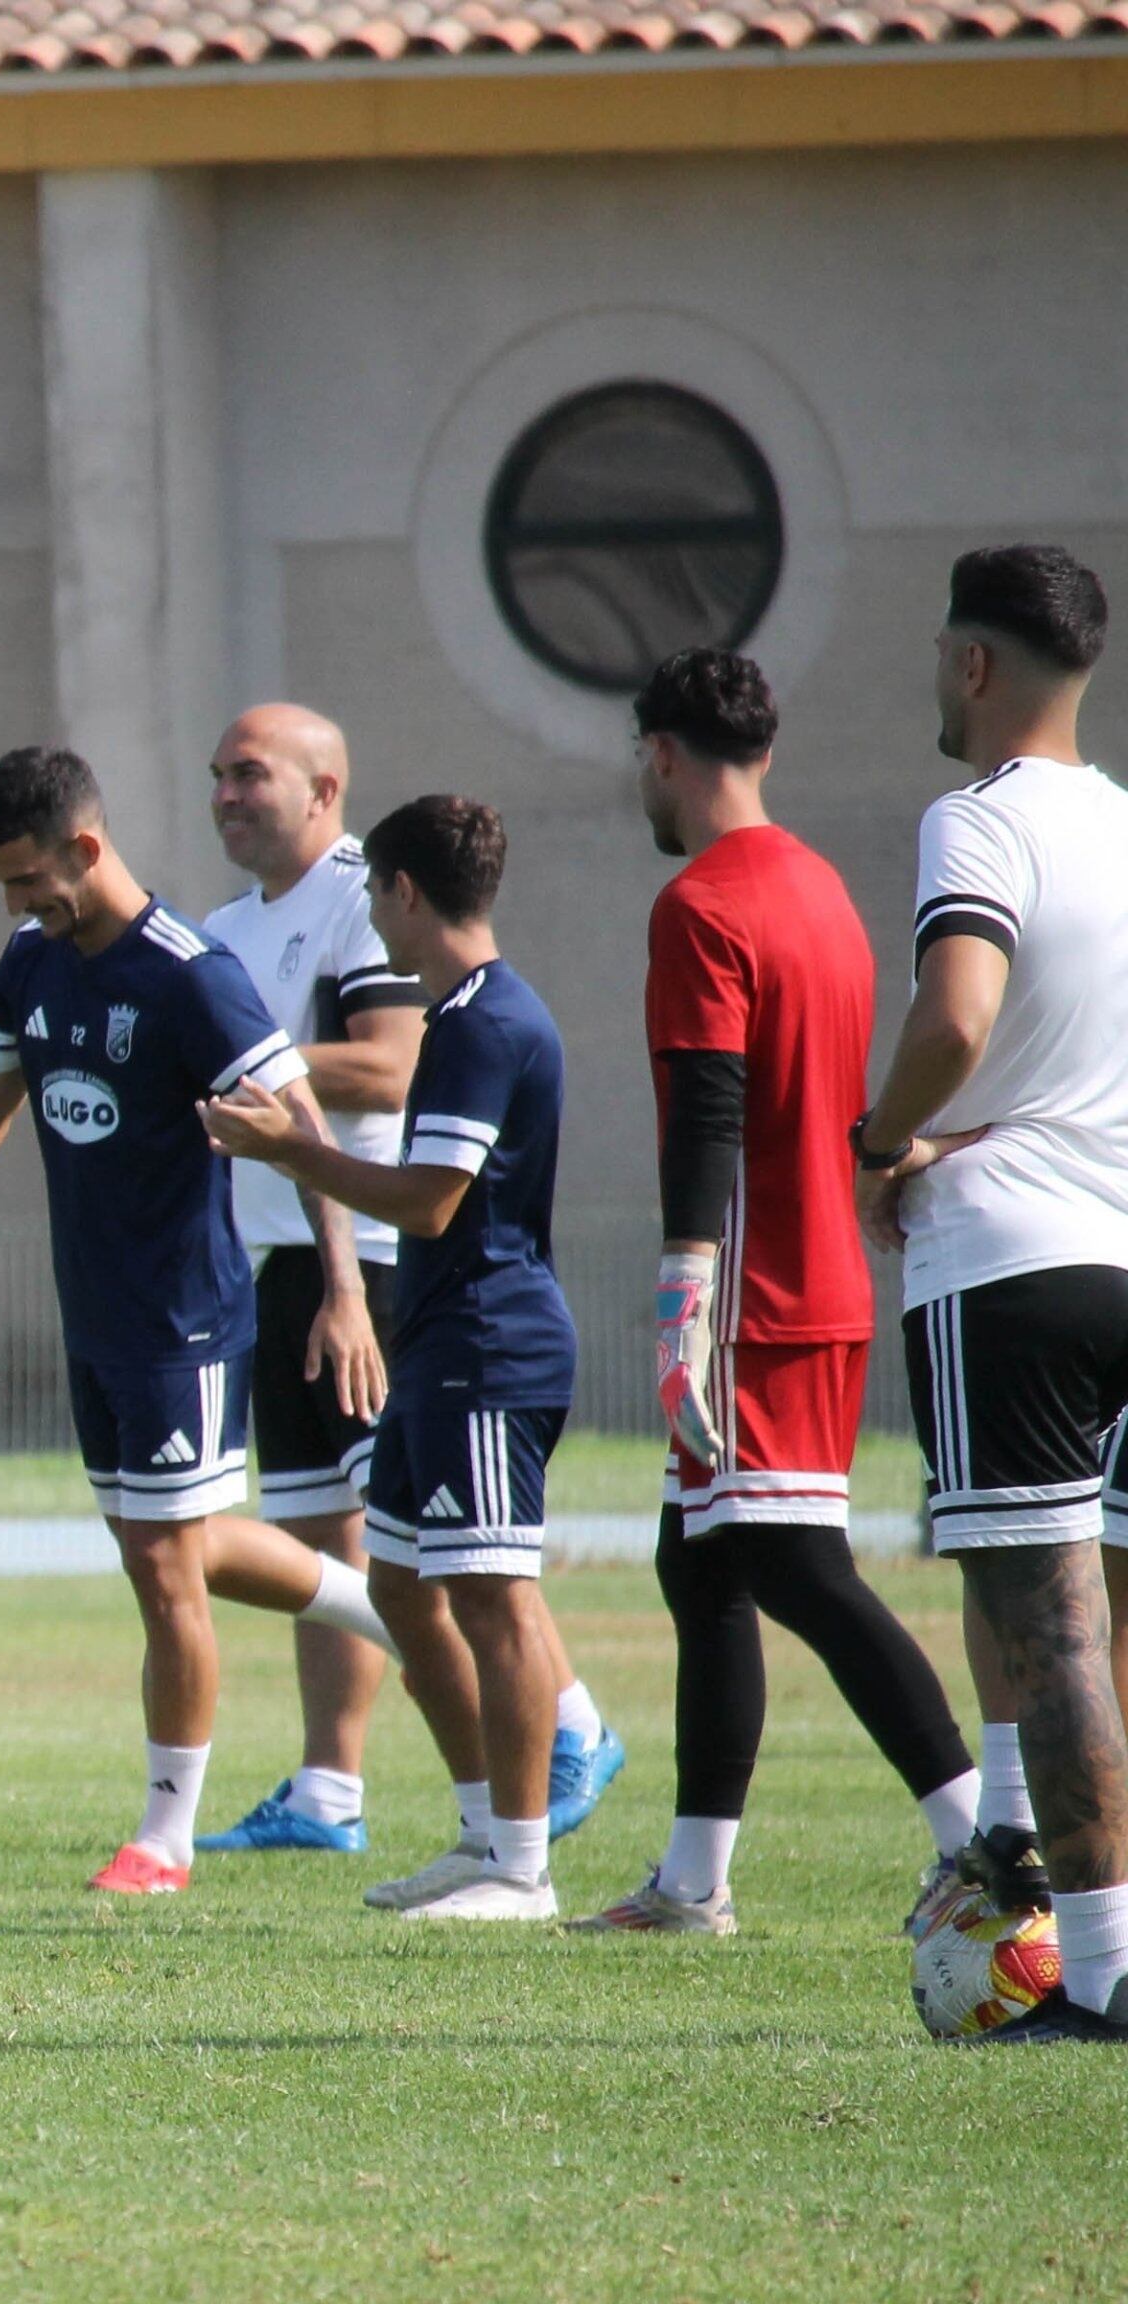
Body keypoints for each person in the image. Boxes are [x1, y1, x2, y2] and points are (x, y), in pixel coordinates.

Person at [0, 746, 394, 1896]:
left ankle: (162, 1842)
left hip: (184, 1322)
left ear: (84, 847)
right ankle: (394, 1615)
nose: (13, 906)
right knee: (163, 1552)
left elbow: (300, 1124)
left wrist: (342, 1291)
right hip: (94, 1318)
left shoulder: (190, 976)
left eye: (26, 880)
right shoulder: (30, 965)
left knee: (167, 1572)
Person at [574, 649, 978, 1935]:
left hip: (753, 1295)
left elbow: (709, 1108)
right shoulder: (818, 887)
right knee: (698, 1561)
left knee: (794, 1565)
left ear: (662, 754)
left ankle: (983, 1838)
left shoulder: (701, 902)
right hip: (819, 1277)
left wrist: (681, 1298)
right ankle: (692, 1882)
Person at [194, 709, 628, 1860]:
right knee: (330, 1538)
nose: (225, 794)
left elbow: (387, 1073)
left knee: (459, 1546)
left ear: (323, 789)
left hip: (379, 1270)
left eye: (250, 774)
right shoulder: (225, 927)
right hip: (277, 1258)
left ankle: (566, 1733)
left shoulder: (366, 901)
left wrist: (250, 1069)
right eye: (217, 775)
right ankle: (330, 1789)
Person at [854, 546, 1128, 2042]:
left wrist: (881, 1140)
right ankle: (1027, 1855)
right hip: (1120, 1245)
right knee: (1090, 1608)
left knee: (1049, 1620)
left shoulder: (975, 818)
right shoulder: (1123, 824)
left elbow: (955, 1017)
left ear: (973, 664)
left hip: (1012, 1260)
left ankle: (1097, 1975)